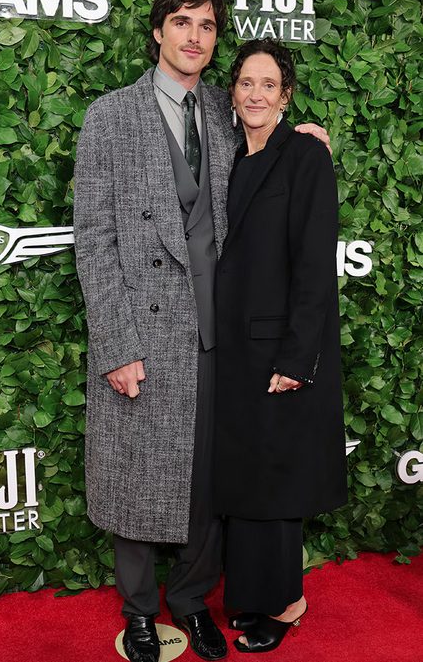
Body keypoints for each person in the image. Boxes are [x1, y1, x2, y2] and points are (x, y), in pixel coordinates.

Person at [73, 0, 331, 662]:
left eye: (207, 25)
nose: (194, 36)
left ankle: (191, 601)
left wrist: (307, 142)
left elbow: (270, 142)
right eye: (182, 22)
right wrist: (116, 344)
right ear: (158, 31)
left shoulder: (224, 108)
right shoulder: (109, 116)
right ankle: (139, 610)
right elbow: (93, 240)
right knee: (134, 474)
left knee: (208, 482)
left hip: (220, 335)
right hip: (142, 333)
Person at [214, 38, 348, 654]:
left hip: (278, 350)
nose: (256, 94)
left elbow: (315, 264)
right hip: (232, 350)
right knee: (246, 477)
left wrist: (298, 356)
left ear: (286, 95)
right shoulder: (227, 157)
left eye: (269, 84)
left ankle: (288, 602)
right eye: (246, 82)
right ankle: (253, 596)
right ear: (232, 91)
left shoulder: (304, 155)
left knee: (275, 480)